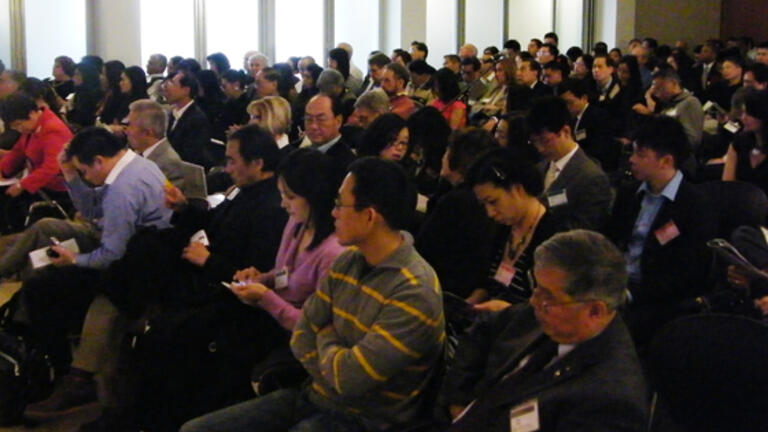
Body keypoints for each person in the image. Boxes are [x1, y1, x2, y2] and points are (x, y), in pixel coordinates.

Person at [181, 157, 443, 432]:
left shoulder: (414, 291)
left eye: (341, 204)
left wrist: (325, 333)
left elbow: (348, 379)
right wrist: (332, 350)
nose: (333, 213)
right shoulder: (349, 262)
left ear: (369, 216)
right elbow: (303, 333)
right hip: (314, 395)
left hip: (366, 419)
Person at [13, 127, 172, 421]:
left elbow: (111, 255)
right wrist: (70, 174)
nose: (85, 177)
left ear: (98, 160)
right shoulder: (137, 165)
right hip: (137, 253)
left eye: (84, 171)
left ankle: (65, 373)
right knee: (46, 259)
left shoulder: (123, 190)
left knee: (42, 287)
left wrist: (74, 259)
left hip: (135, 269)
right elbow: (91, 209)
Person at [444, 230, 649, 432]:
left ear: (595, 310)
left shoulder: (609, 402)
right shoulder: (547, 311)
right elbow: (483, 329)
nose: (534, 301)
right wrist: (459, 398)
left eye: (548, 296)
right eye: (537, 288)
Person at [607, 115, 716, 345]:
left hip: (658, 299)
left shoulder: (694, 206)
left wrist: (631, 294)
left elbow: (687, 275)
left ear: (665, 161)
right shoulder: (629, 194)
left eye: (641, 154)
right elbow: (610, 239)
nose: (632, 160)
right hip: (617, 282)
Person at [463, 148, 567, 309]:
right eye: (484, 204)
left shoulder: (554, 238)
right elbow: (488, 281)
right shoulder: (503, 228)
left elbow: (551, 307)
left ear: (517, 189)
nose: (489, 212)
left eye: (493, 201)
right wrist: (472, 302)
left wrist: (508, 312)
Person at [416, 128, 497, 298]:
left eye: (448, 150)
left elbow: (424, 249)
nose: (443, 156)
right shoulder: (468, 196)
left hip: (443, 290)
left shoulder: (458, 201)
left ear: (458, 157)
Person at [530, 96, 612, 231]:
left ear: (565, 132)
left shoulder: (592, 178)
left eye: (545, 141)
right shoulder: (540, 167)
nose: (540, 148)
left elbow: (584, 230)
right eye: (534, 142)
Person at [0, 93, 72, 232]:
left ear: (32, 113)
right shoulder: (33, 127)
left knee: (8, 202)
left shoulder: (52, 129)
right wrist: (2, 170)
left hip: (56, 187)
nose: (19, 129)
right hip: (37, 180)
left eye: (19, 125)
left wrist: (22, 185)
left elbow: (52, 168)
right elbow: (18, 152)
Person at [124, 99, 187, 193]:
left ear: (148, 132)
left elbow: (157, 202)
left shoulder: (168, 163)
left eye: (130, 126)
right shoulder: (138, 152)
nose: (126, 131)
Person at [559, 78, 617, 172]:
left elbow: (600, 149)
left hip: (594, 165)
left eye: (570, 102)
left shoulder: (599, 117)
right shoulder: (568, 118)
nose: (567, 107)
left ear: (584, 98)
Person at [164, 70, 213, 169]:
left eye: (172, 84)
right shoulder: (172, 114)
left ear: (186, 90)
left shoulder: (196, 119)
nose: (167, 88)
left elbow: (191, 156)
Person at [723, 88, 768, 195]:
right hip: (741, 204)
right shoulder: (739, 143)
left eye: (750, 114)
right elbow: (727, 185)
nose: (743, 118)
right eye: (743, 112)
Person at [66, 63, 103, 131]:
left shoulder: (93, 95)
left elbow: (82, 118)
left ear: (86, 76)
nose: (73, 78)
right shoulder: (78, 93)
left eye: (77, 74)